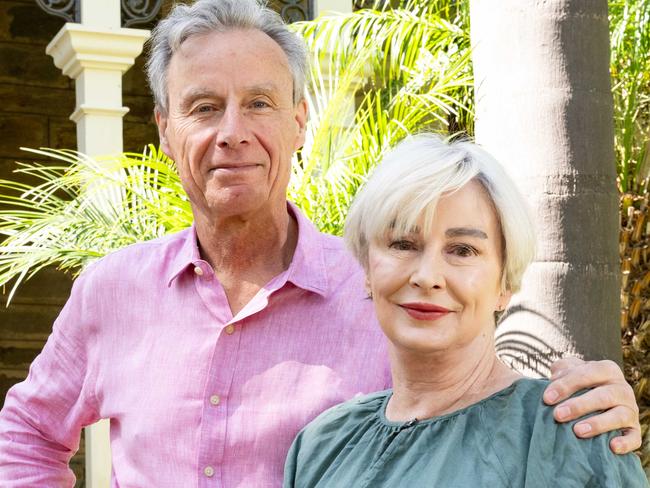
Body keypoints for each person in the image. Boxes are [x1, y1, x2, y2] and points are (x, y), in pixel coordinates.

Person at [0, 0, 642, 486]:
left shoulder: (381, 285)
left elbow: (478, 397)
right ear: (166, 130)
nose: (232, 131)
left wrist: (592, 407)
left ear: (299, 119)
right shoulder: (111, 292)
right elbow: (24, 430)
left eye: (258, 103)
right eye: (202, 107)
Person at [283, 134, 649, 487]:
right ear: (366, 269)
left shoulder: (570, 435)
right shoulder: (321, 446)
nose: (427, 277)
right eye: (403, 244)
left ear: (505, 283)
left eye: (463, 250)